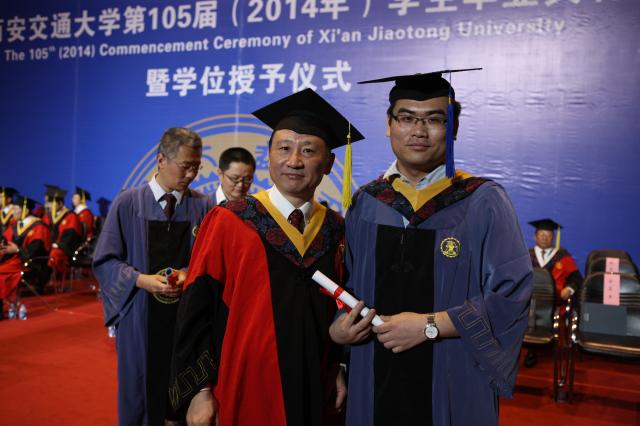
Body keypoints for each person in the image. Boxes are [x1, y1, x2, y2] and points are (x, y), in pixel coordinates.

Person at [330, 71, 533, 426]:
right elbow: (347, 285)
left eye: (434, 119)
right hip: (373, 374)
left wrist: (429, 326)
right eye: (406, 118)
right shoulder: (366, 202)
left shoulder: (482, 201)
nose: (419, 131)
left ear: (453, 128)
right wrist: (340, 340)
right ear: (389, 125)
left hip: (453, 376)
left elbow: (511, 292)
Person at [169, 89, 364, 426]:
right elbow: (196, 310)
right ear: (269, 155)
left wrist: (340, 365)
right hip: (243, 385)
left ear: (329, 163)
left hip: (315, 384)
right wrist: (199, 390)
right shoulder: (230, 220)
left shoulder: (336, 230)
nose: (294, 161)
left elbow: (339, 309)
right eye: (284, 148)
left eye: (308, 150)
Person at [93, 127, 215, 426]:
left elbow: (211, 262)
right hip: (141, 317)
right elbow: (106, 260)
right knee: (140, 395)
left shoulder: (203, 206)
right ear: (161, 160)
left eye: (196, 167)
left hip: (186, 321)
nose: (191, 174)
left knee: (182, 400)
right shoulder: (128, 203)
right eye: (185, 166)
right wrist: (140, 280)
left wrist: (188, 273)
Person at [525, 218, 583, 367]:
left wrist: (569, 289)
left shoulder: (562, 255)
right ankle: (531, 349)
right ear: (535, 236)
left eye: (548, 235)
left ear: (553, 237)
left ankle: (551, 344)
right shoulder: (526, 255)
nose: (545, 238)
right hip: (530, 303)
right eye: (541, 234)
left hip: (556, 303)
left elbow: (576, 278)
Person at [0, 196, 51, 318]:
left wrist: (17, 249)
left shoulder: (39, 227)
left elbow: (36, 250)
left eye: (16, 209)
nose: (13, 212)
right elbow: (5, 242)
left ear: (26, 210)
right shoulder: (14, 226)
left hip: (31, 263)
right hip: (13, 261)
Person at [44, 186, 83, 275]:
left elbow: (71, 236)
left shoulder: (71, 216)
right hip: (50, 246)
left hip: (64, 249)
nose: (50, 206)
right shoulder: (48, 216)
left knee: (54, 253)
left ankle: (54, 277)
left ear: (60, 203)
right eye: (49, 204)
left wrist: (58, 245)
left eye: (52, 204)